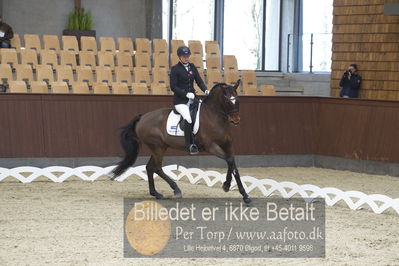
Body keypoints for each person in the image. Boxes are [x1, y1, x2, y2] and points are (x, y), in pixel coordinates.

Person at [170, 46, 209, 155]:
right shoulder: (175, 69)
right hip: (180, 101)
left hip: (193, 99)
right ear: (179, 57)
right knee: (188, 118)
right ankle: (190, 145)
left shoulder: (192, 67)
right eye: (184, 56)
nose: (187, 58)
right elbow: (173, 86)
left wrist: (206, 90)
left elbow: (199, 81)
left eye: (188, 56)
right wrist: (186, 94)